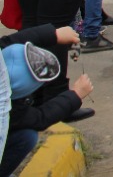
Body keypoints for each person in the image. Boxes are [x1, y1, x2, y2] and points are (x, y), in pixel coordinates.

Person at [1, 26, 96, 172]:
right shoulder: (12, 110)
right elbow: (40, 118)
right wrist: (75, 95)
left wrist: (53, 34)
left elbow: (9, 41)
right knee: (26, 138)